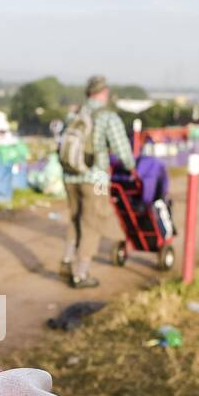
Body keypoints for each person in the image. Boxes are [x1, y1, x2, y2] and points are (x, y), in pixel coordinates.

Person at [60, 75, 134, 288]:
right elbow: (122, 150)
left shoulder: (75, 114)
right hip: (97, 177)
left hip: (70, 175)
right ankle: (81, 274)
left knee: (75, 218)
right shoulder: (107, 117)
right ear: (104, 92)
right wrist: (131, 167)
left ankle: (66, 261)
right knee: (93, 222)